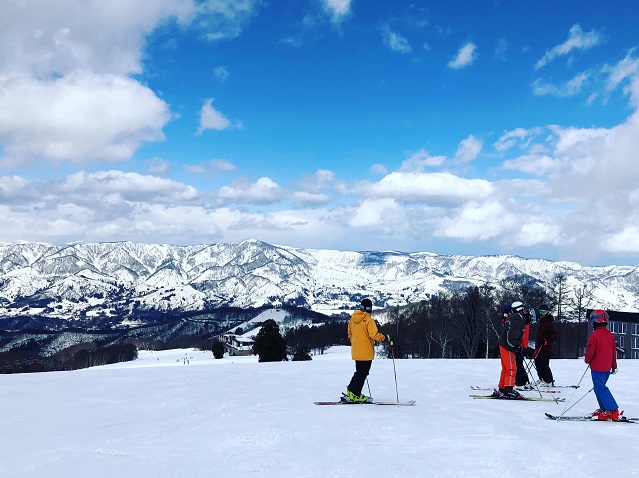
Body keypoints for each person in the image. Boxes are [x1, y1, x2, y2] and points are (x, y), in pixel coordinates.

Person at [343, 298, 386, 403]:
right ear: (370, 309)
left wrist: (355, 340)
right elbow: (374, 335)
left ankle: (351, 391)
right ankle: (355, 394)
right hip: (366, 351)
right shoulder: (368, 320)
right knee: (363, 373)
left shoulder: (353, 319)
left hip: (356, 351)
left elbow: (349, 332)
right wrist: (384, 338)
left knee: (359, 372)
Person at [584, 309, 620, 420]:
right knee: (599, 387)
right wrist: (614, 366)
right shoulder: (610, 335)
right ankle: (604, 408)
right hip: (607, 368)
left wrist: (587, 360)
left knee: (600, 388)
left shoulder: (594, 336)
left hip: (597, 368)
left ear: (595, 322)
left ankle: (612, 410)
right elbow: (614, 352)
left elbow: (590, 352)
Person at [494, 301, 526, 398]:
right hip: (508, 346)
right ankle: (508, 389)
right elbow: (511, 337)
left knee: (506, 368)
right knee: (512, 368)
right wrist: (515, 346)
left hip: (504, 345)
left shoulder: (513, 318)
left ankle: (502, 387)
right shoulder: (517, 320)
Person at [534, 305, 557, 386]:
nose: (542, 314)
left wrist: (547, 342)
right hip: (539, 347)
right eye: (540, 312)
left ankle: (549, 381)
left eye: (543, 312)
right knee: (537, 363)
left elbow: (554, 335)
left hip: (545, 348)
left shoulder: (548, 322)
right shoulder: (542, 321)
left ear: (547, 312)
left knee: (544, 364)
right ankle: (542, 379)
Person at [514, 308, 532, 391]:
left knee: (518, 365)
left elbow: (524, 335)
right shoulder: (525, 322)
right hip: (522, 346)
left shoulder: (522, 322)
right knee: (520, 365)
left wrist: (522, 346)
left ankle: (520, 383)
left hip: (520, 346)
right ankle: (524, 381)